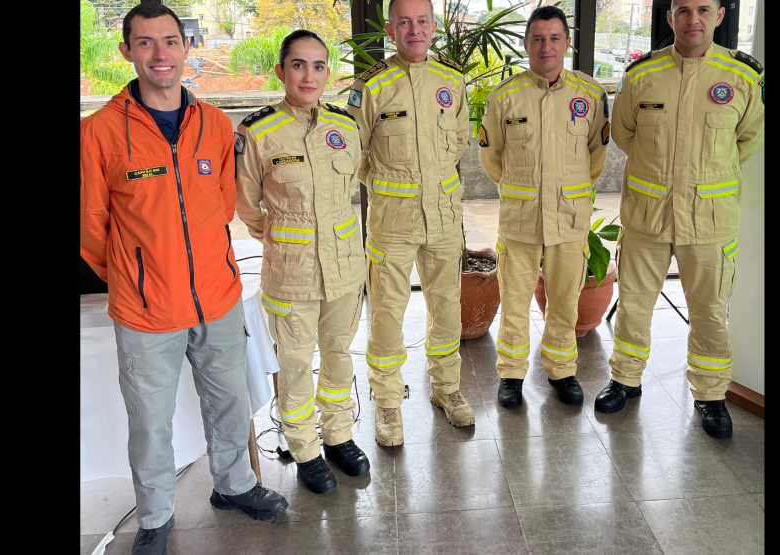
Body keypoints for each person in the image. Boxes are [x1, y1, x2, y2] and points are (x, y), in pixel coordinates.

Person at [79, 4, 288, 553]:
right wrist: (136, 276)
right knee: (150, 423)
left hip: (216, 298)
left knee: (229, 402)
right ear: (126, 51)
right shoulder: (99, 132)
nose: (160, 54)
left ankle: (235, 485)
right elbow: (92, 228)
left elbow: (221, 206)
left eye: (169, 41)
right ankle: (154, 517)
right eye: (145, 43)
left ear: (186, 47)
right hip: (146, 312)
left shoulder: (216, 126)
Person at [597, 0, 764, 439]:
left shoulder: (744, 77)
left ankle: (710, 395)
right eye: (683, 10)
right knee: (634, 303)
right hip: (646, 215)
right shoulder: (641, 75)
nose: (693, 20)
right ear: (670, 17)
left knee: (709, 310)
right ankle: (625, 380)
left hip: (709, 221)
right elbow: (624, 133)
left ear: (720, 17)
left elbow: (746, 140)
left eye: (703, 10)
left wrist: (703, 180)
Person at [235, 30, 370, 494]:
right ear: (281, 71)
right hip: (291, 274)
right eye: (298, 65)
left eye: (318, 65)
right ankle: (305, 448)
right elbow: (249, 205)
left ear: (327, 72)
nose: (308, 75)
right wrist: (283, 238)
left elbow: (353, 182)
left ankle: (338, 436)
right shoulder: (257, 131)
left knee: (338, 358)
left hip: (346, 267)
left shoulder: (345, 127)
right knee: (294, 364)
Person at [346, 0, 474, 446]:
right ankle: (387, 402)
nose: (414, 30)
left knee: (447, 307)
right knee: (386, 313)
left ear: (433, 27)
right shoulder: (370, 87)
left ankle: (446, 387)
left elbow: (458, 140)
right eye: (405, 22)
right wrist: (388, 185)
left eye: (422, 21)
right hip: (391, 222)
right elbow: (353, 153)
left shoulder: (452, 81)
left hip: (442, 218)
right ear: (390, 28)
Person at [479, 6, 609, 408]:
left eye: (555, 38)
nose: (546, 46)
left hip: (568, 219)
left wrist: (567, 192)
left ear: (567, 43)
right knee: (515, 299)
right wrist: (520, 189)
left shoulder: (589, 95)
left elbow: (596, 156)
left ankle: (562, 369)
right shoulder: (504, 97)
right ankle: (512, 375)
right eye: (537, 38)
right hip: (519, 219)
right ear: (526, 45)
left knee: (564, 299)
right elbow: (491, 157)